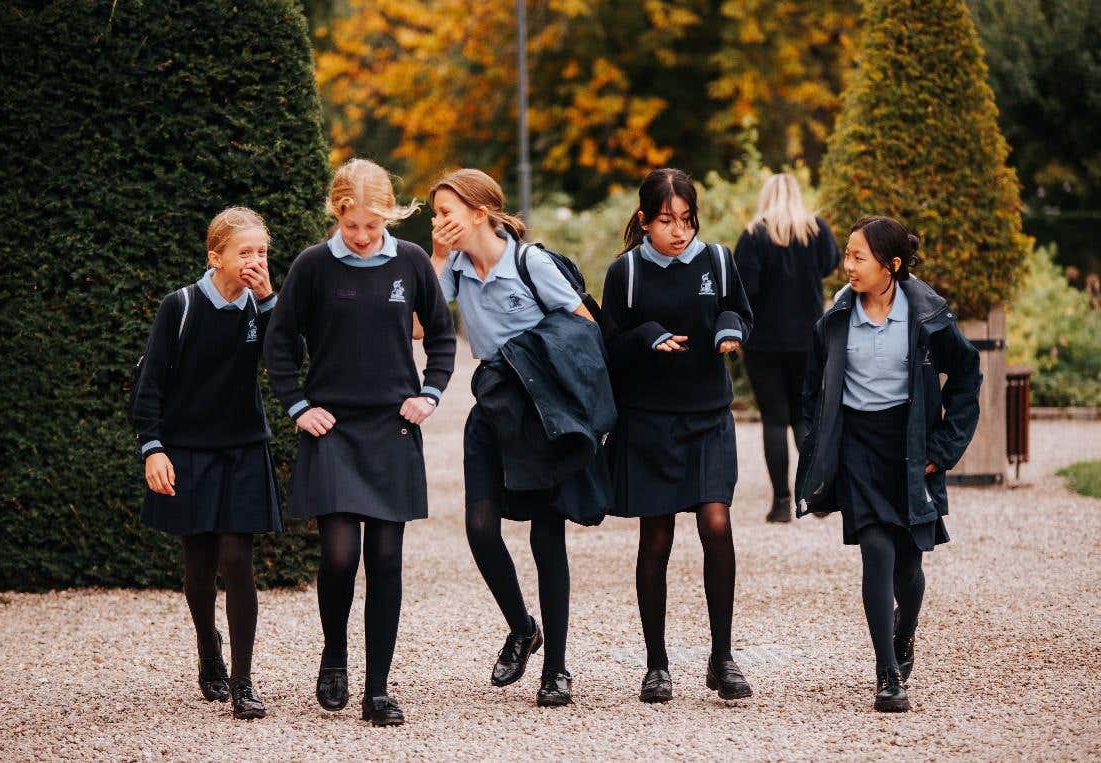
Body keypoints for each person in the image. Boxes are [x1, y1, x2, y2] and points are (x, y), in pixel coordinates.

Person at [263, 158, 456, 727]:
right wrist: (299, 406)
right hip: (334, 431)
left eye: (373, 226)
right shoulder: (313, 266)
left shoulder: (413, 262)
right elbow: (279, 344)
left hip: (393, 430)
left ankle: (377, 687)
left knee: (387, 558)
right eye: (353, 226)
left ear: (388, 217)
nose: (365, 237)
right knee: (341, 556)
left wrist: (431, 394)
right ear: (338, 214)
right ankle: (333, 658)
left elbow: (442, 338)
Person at [428, 168, 610, 708]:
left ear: (479, 213)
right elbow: (420, 326)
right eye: (436, 215)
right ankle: (521, 626)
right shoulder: (456, 267)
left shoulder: (531, 263)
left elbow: (584, 324)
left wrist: (533, 355)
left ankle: (556, 669)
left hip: (542, 411)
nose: (438, 223)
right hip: (491, 405)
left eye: (445, 213)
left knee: (546, 539)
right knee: (481, 529)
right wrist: (436, 260)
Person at [795, 215, 981, 712]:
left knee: (909, 564)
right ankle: (887, 673)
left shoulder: (927, 316)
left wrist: (940, 452)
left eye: (859, 257)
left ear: (891, 265)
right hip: (858, 445)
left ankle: (906, 632)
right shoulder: (836, 318)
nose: (847, 265)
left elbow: (966, 378)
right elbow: (812, 389)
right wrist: (818, 449)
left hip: (910, 446)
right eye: (848, 255)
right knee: (875, 552)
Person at [599, 168, 756, 704]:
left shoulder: (717, 259)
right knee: (657, 539)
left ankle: (722, 656)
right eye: (667, 221)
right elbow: (610, 344)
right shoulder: (626, 273)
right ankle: (657, 663)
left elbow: (739, 309)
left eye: (686, 220)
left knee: (717, 524)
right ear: (644, 221)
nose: (679, 231)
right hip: (648, 421)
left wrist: (731, 329)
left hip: (708, 416)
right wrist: (650, 336)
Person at [133, 206, 281, 720]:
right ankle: (208, 647)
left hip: (244, 449)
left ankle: (243, 680)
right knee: (198, 566)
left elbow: (285, 360)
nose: (255, 260)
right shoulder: (182, 306)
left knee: (238, 560)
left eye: (262, 251)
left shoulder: (261, 306)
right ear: (216, 256)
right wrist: (152, 448)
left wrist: (266, 300)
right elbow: (150, 384)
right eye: (246, 252)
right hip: (188, 451)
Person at [734, 173, 841, 522]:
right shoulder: (816, 230)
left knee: (774, 420)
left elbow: (743, 287)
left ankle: (781, 502)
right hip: (808, 339)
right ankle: (817, 495)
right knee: (803, 417)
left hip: (763, 341)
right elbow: (830, 265)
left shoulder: (753, 235)